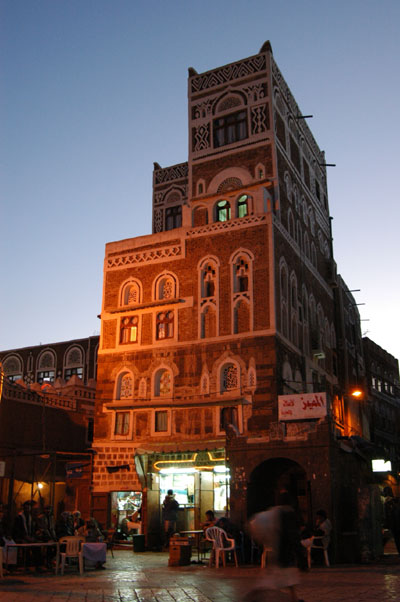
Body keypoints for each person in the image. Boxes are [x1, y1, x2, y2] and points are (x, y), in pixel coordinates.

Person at [247, 492, 304, 602]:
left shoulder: (273, 513)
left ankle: (294, 599)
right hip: (284, 555)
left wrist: (264, 539)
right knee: (278, 580)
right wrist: (300, 555)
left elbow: (254, 523)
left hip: (278, 553)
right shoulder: (287, 513)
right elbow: (293, 536)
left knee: (285, 580)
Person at [383, 486, 400, 554]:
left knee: (397, 538)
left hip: (395, 523)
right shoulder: (394, 501)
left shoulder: (389, 502)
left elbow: (388, 514)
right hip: (395, 523)